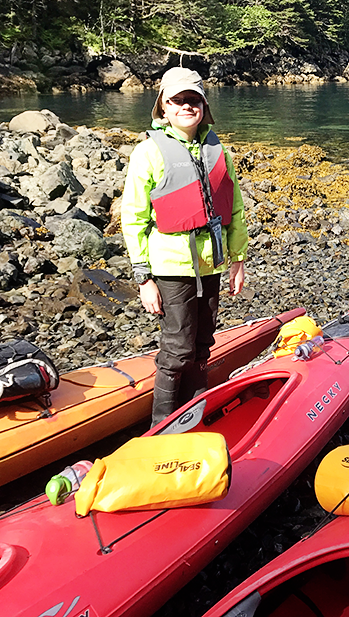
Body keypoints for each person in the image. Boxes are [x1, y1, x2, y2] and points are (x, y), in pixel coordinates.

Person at [121, 67, 248, 428]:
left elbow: (234, 207)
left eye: (193, 99)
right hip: (171, 268)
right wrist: (144, 278)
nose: (186, 106)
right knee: (177, 348)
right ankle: (161, 425)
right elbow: (132, 218)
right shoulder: (148, 152)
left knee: (203, 343)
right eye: (177, 100)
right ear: (163, 106)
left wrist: (237, 259)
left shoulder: (217, 150)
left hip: (210, 265)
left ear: (204, 106)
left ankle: (195, 412)